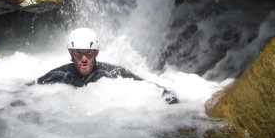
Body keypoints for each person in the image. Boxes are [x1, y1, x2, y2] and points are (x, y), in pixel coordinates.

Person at [34, 28, 179, 104]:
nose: (84, 59)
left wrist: (169, 97)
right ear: (71, 53)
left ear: (96, 53)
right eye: (79, 54)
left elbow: (150, 87)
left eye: (89, 53)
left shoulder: (112, 73)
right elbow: (27, 91)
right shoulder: (61, 75)